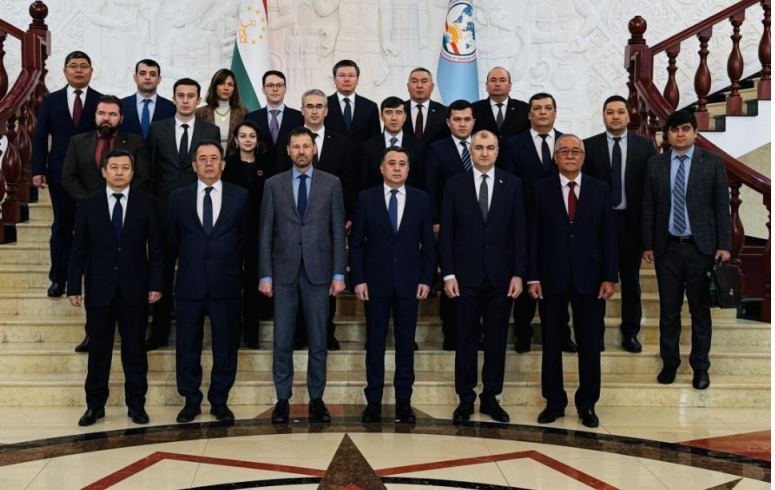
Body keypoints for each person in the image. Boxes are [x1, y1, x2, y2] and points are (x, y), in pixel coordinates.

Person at [67, 149, 163, 427]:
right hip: (99, 289)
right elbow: (78, 248)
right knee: (99, 351)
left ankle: (137, 405)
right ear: (104, 171)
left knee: (135, 350)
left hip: (135, 288)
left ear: (132, 173)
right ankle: (94, 406)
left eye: (125, 168)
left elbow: (157, 249)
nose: (119, 172)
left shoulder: (147, 203)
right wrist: (74, 286)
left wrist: (156, 284)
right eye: (114, 167)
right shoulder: (89, 203)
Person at [529, 134, 618, 429]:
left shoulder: (600, 189)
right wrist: (532, 276)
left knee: (590, 343)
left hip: (590, 279)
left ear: (583, 156)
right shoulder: (539, 189)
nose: (569, 155)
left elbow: (608, 236)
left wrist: (609, 276)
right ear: (555, 157)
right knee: (551, 342)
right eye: (564, 151)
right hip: (550, 278)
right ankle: (554, 402)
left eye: (575, 151)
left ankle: (587, 403)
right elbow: (533, 238)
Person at [259, 127, 346, 424]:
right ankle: (282, 399)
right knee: (282, 340)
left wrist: (338, 272)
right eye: (295, 146)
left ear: (314, 149)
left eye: (306, 146)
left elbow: (337, 231)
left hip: (319, 272)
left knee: (318, 341)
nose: (301, 151)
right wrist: (265, 274)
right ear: (288, 151)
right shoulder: (273, 185)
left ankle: (316, 399)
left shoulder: (332, 183)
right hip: (283, 273)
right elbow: (265, 232)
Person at [440, 130, 527, 425]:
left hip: (501, 277)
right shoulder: (455, 184)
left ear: (498, 150)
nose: (485, 152)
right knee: (464, 339)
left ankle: (491, 397)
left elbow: (519, 232)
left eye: (490, 147)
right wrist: (448, 273)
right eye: (479, 147)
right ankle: (465, 398)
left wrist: (519, 273)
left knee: (496, 339)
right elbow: (447, 233)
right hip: (464, 277)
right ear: (471, 151)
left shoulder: (512, 184)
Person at [642, 110, 731, 391]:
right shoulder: (655, 164)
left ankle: (700, 367)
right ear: (667, 134)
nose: (679, 134)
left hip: (701, 249)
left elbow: (722, 207)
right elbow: (648, 207)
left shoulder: (712, 163)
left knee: (700, 312)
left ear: (695, 132)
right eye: (674, 129)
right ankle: (670, 363)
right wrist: (648, 244)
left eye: (685, 129)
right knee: (668, 311)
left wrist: (724, 245)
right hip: (666, 248)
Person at [350, 147, 435, 423]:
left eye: (402, 164)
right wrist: (359, 279)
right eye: (392, 163)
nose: (397, 168)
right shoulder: (366, 198)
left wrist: (426, 279)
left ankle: (403, 403)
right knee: (375, 343)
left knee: (406, 344)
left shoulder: (421, 199)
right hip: (375, 284)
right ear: (382, 168)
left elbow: (428, 245)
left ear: (408, 169)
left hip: (410, 283)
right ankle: (373, 402)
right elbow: (356, 244)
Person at [168, 140, 248, 423]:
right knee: (187, 345)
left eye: (214, 158)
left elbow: (245, 240)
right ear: (194, 166)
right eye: (203, 159)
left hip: (226, 284)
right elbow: (172, 240)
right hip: (189, 284)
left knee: (225, 346)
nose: (209, 163)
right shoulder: (179, 197)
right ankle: (191, 400)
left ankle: (219, 400)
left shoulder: (240, 196)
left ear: (223, 164)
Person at [276, 89, 356, 350]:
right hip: (294, 227)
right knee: (297, 282)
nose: (314, 110)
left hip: (327, 226)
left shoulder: (341, 142)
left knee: (324, 280)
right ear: (302, 110)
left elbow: (349, 180)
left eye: (319, 106)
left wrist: (347, 216)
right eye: (309, 106)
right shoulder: (288, 142)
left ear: (326, 110)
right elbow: (280, 182)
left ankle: (325, 332)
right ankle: (299, 333)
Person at [145, 78, 221, 351]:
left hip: (197, 211)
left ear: (198, 100)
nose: (186, 100)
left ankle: (200, 326)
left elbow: (212, 171)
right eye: (181, 95)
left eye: (191, 95)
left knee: (196, 267)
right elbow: (151, 170)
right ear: (174, 98)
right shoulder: (157, 129)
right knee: (162, 269)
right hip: (163, 210)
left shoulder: (210, 130)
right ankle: (159, 331)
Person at [583, 95, 657, 353]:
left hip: (630, 225)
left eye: (620, 112)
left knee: (631, 282)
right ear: (603, 116)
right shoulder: (589, 146)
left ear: (628, 116)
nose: (615, 116)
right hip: (599, 225)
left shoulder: (645, 146)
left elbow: (651, 192)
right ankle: (596, 334)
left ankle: (631, 333)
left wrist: (648, 238)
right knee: (597, 281)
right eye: (610, 112)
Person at [502, 92, 575, 354]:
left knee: (560, 281)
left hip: (559, 225)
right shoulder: (512, 144)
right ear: (529, 114)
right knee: (525, 276)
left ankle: (561, 333)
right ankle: (523, 333)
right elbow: (509, 185)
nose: (543, 112)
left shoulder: (567, 143)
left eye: (547, 108)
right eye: (537, 108)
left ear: (555, 112)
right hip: (524, 221)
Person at [31, 51, 102, 303]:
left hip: (93, 175)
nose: (78, 70)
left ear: (91, 71)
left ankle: (87, 277)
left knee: (91, 227)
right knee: (62, 226)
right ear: (65, 71)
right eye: (73, 66)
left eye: (84, 66)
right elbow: (41, 137)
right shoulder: (51, 101)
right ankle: (58, 279)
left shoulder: (100, 100)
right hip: (60, 173)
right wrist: (38, 169)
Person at [424, 99, 476, 351]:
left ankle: (476, 332)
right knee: (451, 276)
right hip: (449, 225)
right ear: (448, 122)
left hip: (480, 226)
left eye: (466, 119)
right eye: (457, 119)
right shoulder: (437, 149)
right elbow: (430, 187)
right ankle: (451, 332)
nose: (462, 124)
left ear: (473, 121)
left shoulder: (483, 146)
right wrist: (435, 220)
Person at [222, 120, 272, 348]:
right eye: (243, 136)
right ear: (236, 140)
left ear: (258, 140)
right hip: (232, 231)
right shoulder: (227, 165)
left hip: (259, 232)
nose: (248, 140)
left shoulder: (267, 165)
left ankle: (251, 336)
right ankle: (232, 334)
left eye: (252, 136)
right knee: (232, 284)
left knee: (253, 284)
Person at [63, 95, 150, 200]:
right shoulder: (78, 142)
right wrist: (88, 201)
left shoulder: (136, 142)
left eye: (112, 114)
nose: (106, 118)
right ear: (95, 115)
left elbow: (142, 178)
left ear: (121, 118)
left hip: (125, 204)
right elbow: (68, 177)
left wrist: (121, 199)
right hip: (87, 205)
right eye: (101, 113)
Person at [361, 96, 422, 190]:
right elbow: (364, 182)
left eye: (399, 112)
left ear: (405, 117)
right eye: (388, 113)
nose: (394, 118)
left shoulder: (418, 146)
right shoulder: (368, 147)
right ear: (381, 117)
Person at [244, 70, 304, 163]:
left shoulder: (299, 117)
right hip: (259, 169)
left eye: (279, 85)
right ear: (263, 90)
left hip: (290, 169)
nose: (275, 89)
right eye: (270, 85)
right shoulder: (251, 118)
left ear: (285, 89)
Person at [324, 59, 381, 144]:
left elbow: (375, 140)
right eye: (342, 75)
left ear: (357, 80)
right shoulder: (323, 105)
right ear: (334, 80)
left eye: (351, 75)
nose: (347, 79)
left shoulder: (370, 107)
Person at [120, 59, 176, 140]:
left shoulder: (171, 108)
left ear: (159, 79)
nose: (147, 77)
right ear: (135, 78)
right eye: (142, 73)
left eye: (152, 74)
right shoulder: (121, 105)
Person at [195, 68, 248, 151]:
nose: (226, 88)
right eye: (222, 83)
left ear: (234, 89)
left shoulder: (243, 112)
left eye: (230, 84)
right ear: (214, 86)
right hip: (208, 157)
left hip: (235, 158)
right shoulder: (200, 112)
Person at [472, 66, 529, 143]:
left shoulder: (524, 109)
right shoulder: (474, 109)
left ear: (510, 86)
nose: (497, 84)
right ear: (486, 86)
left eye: (502, 80)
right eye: (493, 80)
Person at [402, 67, 449, 151]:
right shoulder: (398, 110)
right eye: (414, 81)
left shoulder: (444, 112)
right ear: (408, 86)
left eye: (424, 81)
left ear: (432, 87)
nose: (419, 86)